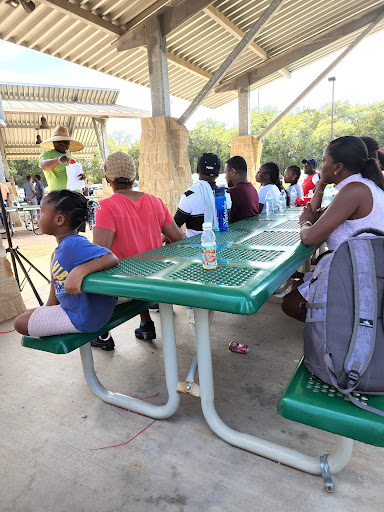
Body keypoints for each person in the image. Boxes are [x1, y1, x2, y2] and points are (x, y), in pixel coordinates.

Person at [281, 135, 384, 322]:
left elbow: (310, 237)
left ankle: (343, 331)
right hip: (359, 268)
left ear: (338, 167)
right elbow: (317, 214)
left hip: (358, 276)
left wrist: (305, 222)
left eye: (324, 161)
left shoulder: (354, 190)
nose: (321, 167)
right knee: (297, 286)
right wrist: (321, 184)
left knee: (290, 303)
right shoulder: (358, 186)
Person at [92, 151, 185, 350]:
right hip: (158, 278)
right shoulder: (155, 202)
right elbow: (180, 239)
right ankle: (145, 324)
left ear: (108, 179)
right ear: (134, 177)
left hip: (128, 285)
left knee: (87, 278)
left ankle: (102, 333)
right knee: (140, 260)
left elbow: (99, 254)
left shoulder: (105, 207)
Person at [14, 190, 118, 337]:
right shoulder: (59, 251)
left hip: (83, 317)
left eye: (42, 212)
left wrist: (80, 270)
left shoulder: (73, 244)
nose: (38, 216)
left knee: (19, 322)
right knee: (30, 313)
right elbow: (54, 295)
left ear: (59, 220)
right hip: (76, 310)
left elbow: (111, 257)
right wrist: (46, 311)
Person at [174, 153, 231, 237]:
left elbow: (175, 226)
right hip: (221, 245)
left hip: (194, 248)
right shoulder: (226, 195)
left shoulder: (190, 196)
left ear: (197, 170)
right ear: (218, 173)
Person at [39, 126, 85, 192]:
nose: (63, 143)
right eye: (59, 141)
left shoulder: (75, 159)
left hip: (76, 196)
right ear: (53, 142)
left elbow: (83, 183)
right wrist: (58, 160)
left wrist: (83, 178)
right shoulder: (47, 155)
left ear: (69, 143)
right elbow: (44, 166)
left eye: (66, 141)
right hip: (58, 197)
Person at [224, 155, 259, 223]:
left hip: (239, 233)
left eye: (226, 173)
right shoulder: (253, 190)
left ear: (233, 172)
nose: (225, 177)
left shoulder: (233, 193)